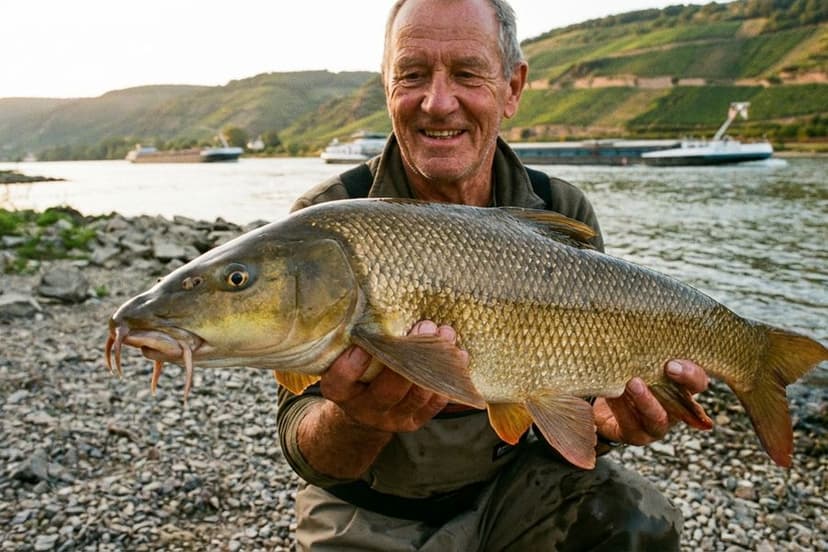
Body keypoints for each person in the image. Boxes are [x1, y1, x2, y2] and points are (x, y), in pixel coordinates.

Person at [277, 0, 710, 549]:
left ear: (512, 88)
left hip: (513, 491)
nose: (437, 103)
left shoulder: (559, 211)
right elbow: (308, 453)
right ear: (387, 87)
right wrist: (361, 420)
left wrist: (607, 426)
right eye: (411, 75)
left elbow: (577, 419)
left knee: (638, 522)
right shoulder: (328, 223)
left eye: (466, 73)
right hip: (369, 507)